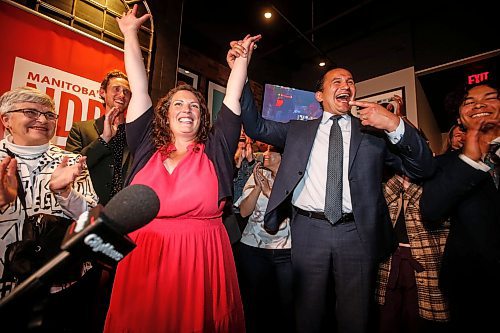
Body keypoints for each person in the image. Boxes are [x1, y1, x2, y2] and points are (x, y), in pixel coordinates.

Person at [228, 43, 435, 332]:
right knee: (308, 313)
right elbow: (256, 127)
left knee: (355, 315)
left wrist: (393, 123)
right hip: (309, 231)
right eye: (336, 81)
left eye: (350, 81)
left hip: (357, 233)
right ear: (320, 95)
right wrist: (241, 70)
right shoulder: (298, 130)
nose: (346, 85)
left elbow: (423, 168)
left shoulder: (373, 134)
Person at [104, 6, 261, 332]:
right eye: (179, 103)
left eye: (194, 105)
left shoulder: (216, 150)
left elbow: (232, 97)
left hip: (201, 259)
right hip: (144, 259)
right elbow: (139, 84)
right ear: (165, 113)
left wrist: (243, 60)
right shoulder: (146, 144)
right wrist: (131, 33)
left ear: (203, 117)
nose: (187, 109)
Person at [0, 86, 98, 331]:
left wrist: (65, 193)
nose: (42, 120)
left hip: (60, 286)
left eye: (49, 115)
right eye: (30, 112)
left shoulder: (71, 162)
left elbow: (92, 220)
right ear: (6, 120)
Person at [420, 80, 500, 332]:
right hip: (471, 284)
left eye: (490, 97)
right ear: (460, 117)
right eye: (470, 102)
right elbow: (431, 210)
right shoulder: (446, 164)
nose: (479, 105)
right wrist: (469, 160)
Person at [376, 171, 450, 333]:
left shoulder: (437, 183)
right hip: (390, 261)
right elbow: (380, 202)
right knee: (387, 317)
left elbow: (437, 212)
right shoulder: (386, 181)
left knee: (417, 318)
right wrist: (399, 179)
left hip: (424, 262)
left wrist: (411, 187)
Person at [234, 145, 293, 333]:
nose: (265, 155)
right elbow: (244, 212)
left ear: (284, 156)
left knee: (285, 306)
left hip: (287, 251)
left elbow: (297, 213)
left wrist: (270, 192)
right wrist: (259, 187)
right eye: (265, 150)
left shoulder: (294, 180)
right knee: (255, 304)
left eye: (271, 151)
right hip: (253, 249)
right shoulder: (258, 175)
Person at [65, 69, 132, 206]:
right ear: (102, 92)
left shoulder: (134, 134)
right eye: (116, 89)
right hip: (89, 209)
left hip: (123, 211)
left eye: (126, 92)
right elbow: (71, 168)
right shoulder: (81, 129)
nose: (121, 95)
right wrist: (103, 140)